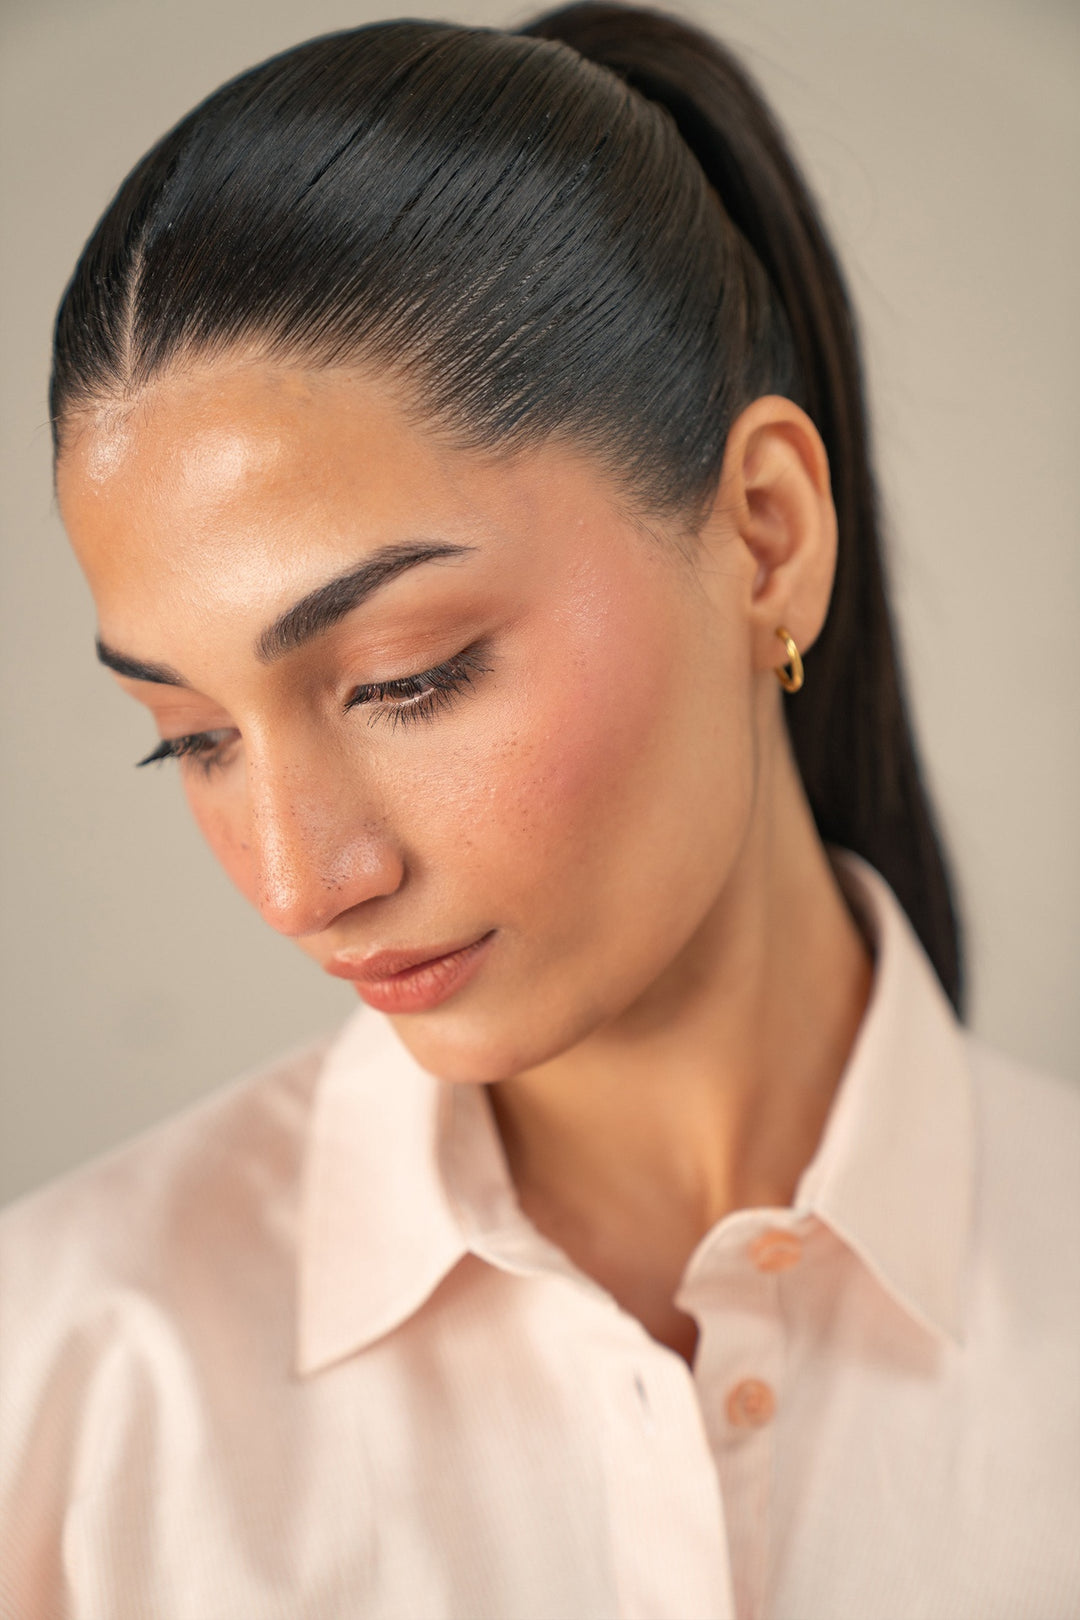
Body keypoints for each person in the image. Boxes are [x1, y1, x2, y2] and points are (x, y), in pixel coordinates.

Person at [1, 3, 1077, 1615]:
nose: (303, 882)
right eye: (192, 739)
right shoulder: (62, 1381)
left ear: (766, 537)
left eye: (406, 676)